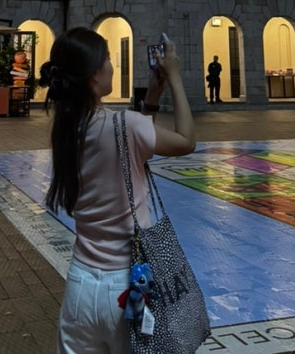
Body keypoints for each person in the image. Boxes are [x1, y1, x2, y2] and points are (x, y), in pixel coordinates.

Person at [39, 28, 195, 354]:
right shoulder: (125, 126)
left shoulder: (66, 127)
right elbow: (185, 141)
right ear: (94, 74)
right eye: (108, 59)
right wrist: (175, 77)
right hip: (128, 289)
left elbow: (134, 146)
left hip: (80, 287)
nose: (112, 65)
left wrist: (152, 99)